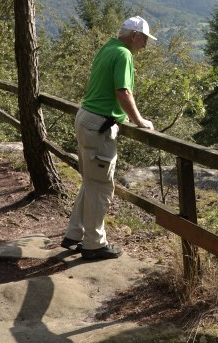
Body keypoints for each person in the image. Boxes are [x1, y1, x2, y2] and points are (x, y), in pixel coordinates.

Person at [61, 16, 156, 259]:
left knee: (91, 181)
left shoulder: (108, 47)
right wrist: (139, 121)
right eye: (144, 39)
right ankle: (94, 244)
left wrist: (119, 116)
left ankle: (75, 233)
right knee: (101, 186)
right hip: (99, 126)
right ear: (134, 35)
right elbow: (123, 91)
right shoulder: (123, 54)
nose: (145, 45)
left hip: (87, 119)